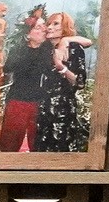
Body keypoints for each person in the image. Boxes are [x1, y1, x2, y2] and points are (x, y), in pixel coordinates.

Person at [0, 11, 57, 152]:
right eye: (38, 28)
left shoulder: (49, 49)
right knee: (10, 142)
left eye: (43, 26)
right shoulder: (19, 50)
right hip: (18, 100)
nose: (43, 30)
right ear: (28, 34)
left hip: (40, 102)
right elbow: (5, 70)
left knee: (37, 142)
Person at [34, 11, 96, 153]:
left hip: (63, 108)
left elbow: (79, 83)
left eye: (55, 24)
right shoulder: (46, 49)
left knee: (60, 151)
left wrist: (61, 67)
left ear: (65, 27)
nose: (50, 27)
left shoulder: (74, 48)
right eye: (49, 24)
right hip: (44, 107)